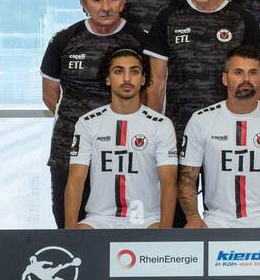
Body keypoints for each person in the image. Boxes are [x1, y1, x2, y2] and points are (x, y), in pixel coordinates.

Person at [41, 0, 147, 227]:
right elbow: (49, 96)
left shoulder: (140, 40)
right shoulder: (64, 40)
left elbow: (148, 91)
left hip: (124, 147)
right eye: (98, 0)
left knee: (124, 223)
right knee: (70, 221)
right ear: (83, 4)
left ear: (123, 2)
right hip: (70, 144)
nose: (106, 7)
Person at [145, 0, 260, 143]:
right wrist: (152, 130)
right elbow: (156, 83)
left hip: (229, 129)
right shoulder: (167, 17)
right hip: (178, 129)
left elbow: (254, 82)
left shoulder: (243, 19)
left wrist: (251, 127)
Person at [177, 44, 260, 228]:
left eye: (252, 73)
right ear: (225, 78)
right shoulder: (201, 120)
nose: (246, 79)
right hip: (217, 221)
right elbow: (187, 178)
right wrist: (194, 217)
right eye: (238, 72)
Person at [64, 48, 178, 229]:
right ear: (108, 79)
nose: (127, 78)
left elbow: (169, 182)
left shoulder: (161, 125)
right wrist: (69, 233)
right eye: (118, 71)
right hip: (99, 219)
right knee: (80, 236)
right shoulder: (87, 123)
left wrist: (164, 233)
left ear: (143, 79)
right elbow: (76, 179)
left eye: (134, 71)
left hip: (147, 219)